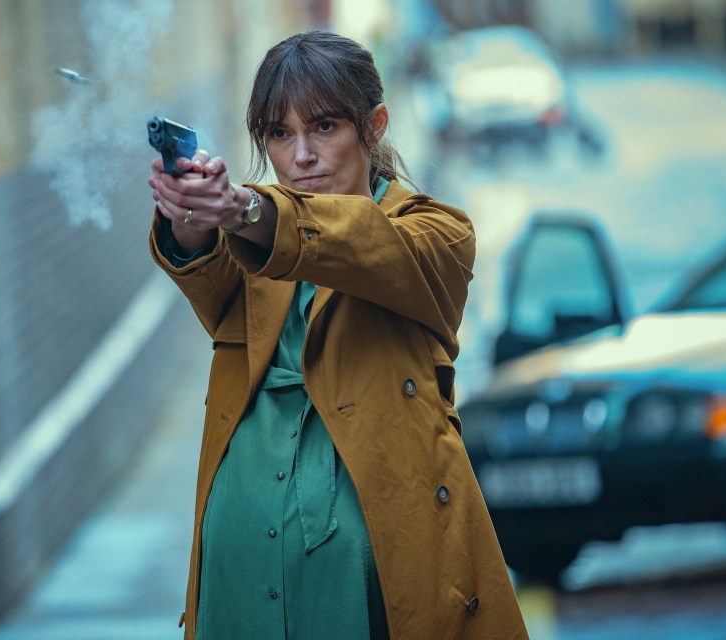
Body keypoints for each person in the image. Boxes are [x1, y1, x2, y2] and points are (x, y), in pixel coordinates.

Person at [146, 30, 528, 640]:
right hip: (239, 567)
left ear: (373, 126)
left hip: (384, 579)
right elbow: (208, 275)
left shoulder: (436, 233)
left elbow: (361, 246)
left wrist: (246, 210)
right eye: (278, 133)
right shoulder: (253, 244)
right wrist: (191, 217)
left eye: (324, 127)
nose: (301, 156)